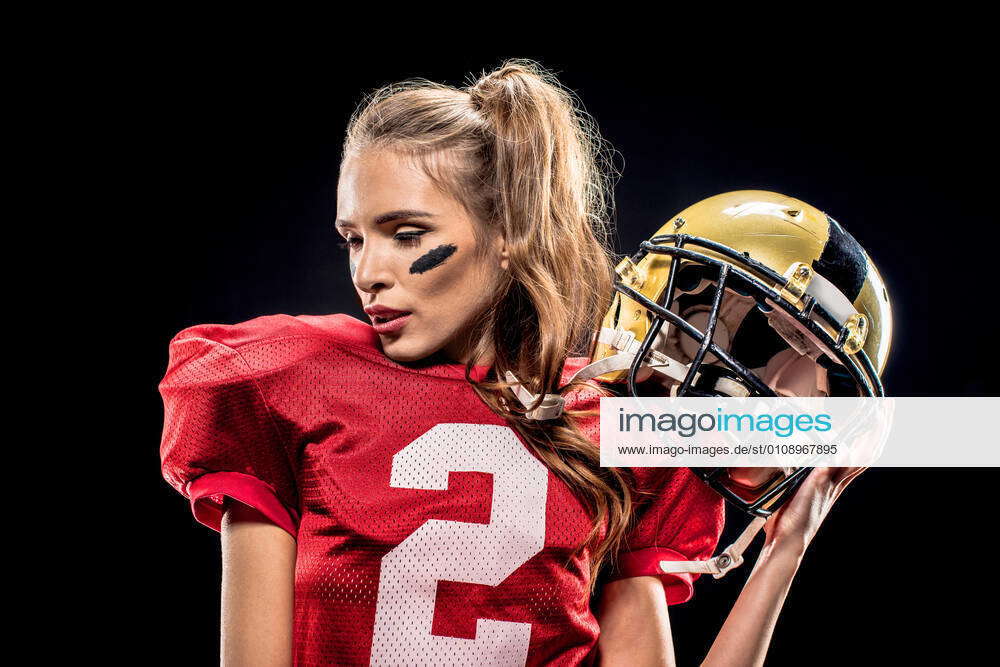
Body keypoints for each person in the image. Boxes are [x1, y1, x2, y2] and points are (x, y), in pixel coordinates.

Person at [159, 60, 883, 666]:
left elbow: (954, 433)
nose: (369, 272)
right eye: (354, 238)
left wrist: (784, 552)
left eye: (406, 233)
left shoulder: (611, 420)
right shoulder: (292, 377)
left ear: (508, 232)